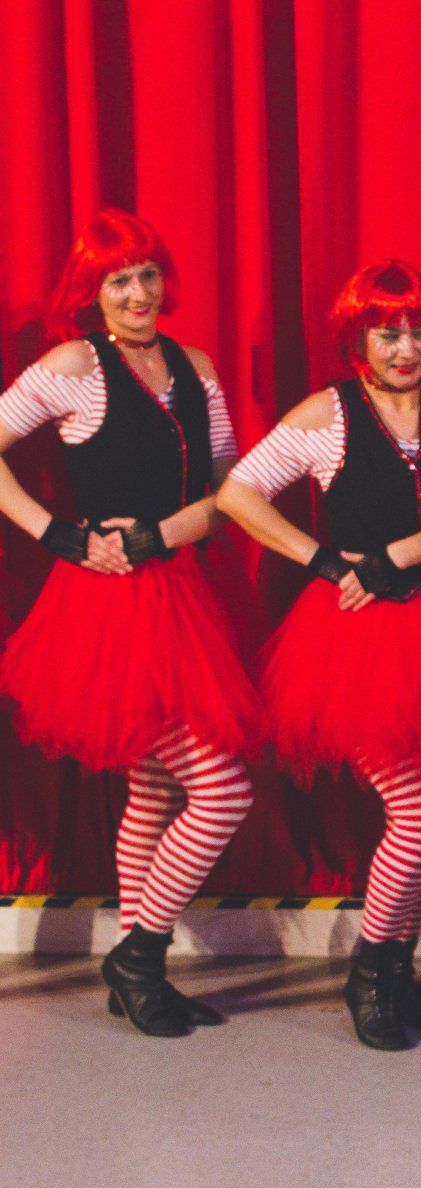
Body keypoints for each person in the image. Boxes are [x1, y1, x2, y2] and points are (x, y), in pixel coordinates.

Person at [216, 259, 421, 1050]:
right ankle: (369, 972)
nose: (406, 348)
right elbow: (238, 493)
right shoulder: (329, 413)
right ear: (359, 338)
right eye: (388, 334)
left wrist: (402, 556)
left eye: (419, 332)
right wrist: (320, 559)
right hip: (355, 638)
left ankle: (398, 972)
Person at [0, 209, 257, 1036]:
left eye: (146, 274)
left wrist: (168, 532)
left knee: (152, 790)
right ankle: (139, 957)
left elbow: (232, 490)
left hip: (179, 593)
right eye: (118, 280)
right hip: (105, 608)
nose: (138, 293)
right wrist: (58, 534)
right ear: (91, 291)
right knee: (222, 790)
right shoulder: (73, 365)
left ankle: (135, 970)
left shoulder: (195, 365)